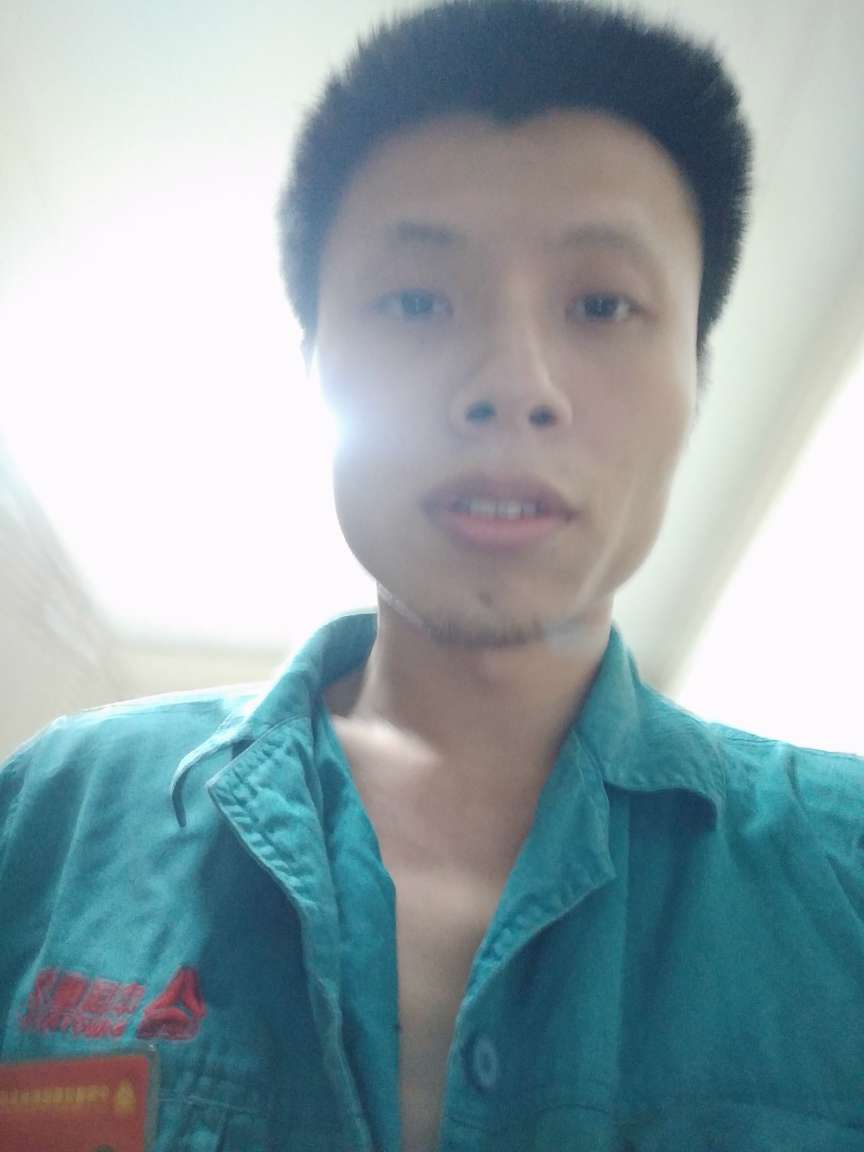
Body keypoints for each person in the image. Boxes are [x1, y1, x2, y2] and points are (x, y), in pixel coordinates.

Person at [1, 1, 862, 1149]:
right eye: (416, 300)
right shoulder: (49, 820)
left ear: (696, 377)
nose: (513, 383)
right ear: (314, 367)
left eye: (602, 304)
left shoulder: (846, 870)